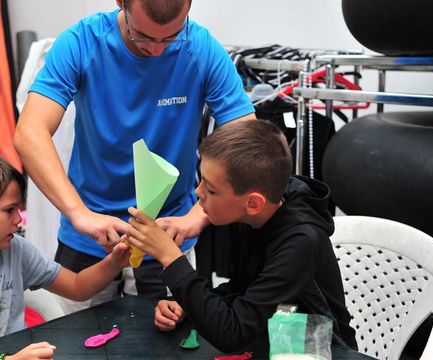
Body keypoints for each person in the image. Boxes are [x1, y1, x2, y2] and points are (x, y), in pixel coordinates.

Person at [13, 0, 255, 311]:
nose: (157, 50)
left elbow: (247, 143)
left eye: (170, 37)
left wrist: (197, 216)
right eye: (143, 36)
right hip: (89, 235)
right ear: (120, 2)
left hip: (167, 236)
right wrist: (79, 214)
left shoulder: (201, 48)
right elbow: (29, 132)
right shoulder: (82, 42)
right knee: (79, 347)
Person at [125, 119, 357, 353]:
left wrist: (171, 258)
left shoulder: (300, 243)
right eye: (201, 181)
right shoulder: (255, 217)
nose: (198, 193)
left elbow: (232, 332)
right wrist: (187, 305)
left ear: (253, 203)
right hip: (274, 340)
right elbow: (243, 293)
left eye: (211, 189)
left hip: (320, 350)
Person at [0, 157, 131, 359]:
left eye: (19, 209)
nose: (18, 219)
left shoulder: (16, 250)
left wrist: (115, 262)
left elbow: (77, 286)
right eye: (10, 210)